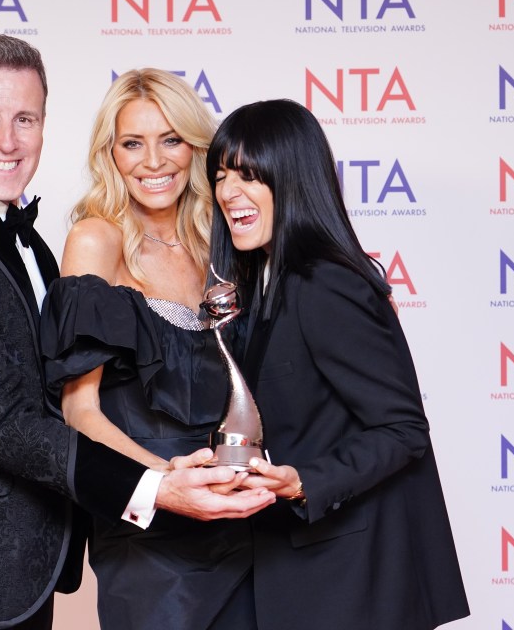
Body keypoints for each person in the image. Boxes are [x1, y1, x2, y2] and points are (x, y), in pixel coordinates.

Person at [0, 36, 274, 630]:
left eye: (25, 119)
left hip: (23, 569)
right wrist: (154, 484)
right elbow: (7, 422)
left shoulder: (27, 243)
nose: (7, 140)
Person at [207, 99, 471, 630]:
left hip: (352, 583)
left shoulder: (324, 284)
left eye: (250, 175)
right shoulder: (262, 289)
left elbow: (402, 429)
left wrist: (304, 480)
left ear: (294, 179)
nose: (229, 192)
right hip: (298, 571)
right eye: (220, 175)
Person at [39, 68, 256, 630]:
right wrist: (168, 483)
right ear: (109, 154)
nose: (153, 162)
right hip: (153, 532)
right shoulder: (96, 240)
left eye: (171, 140)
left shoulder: (223, 239)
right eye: (133, 143)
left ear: (196, 147)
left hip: (242, 517)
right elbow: (78, 412)